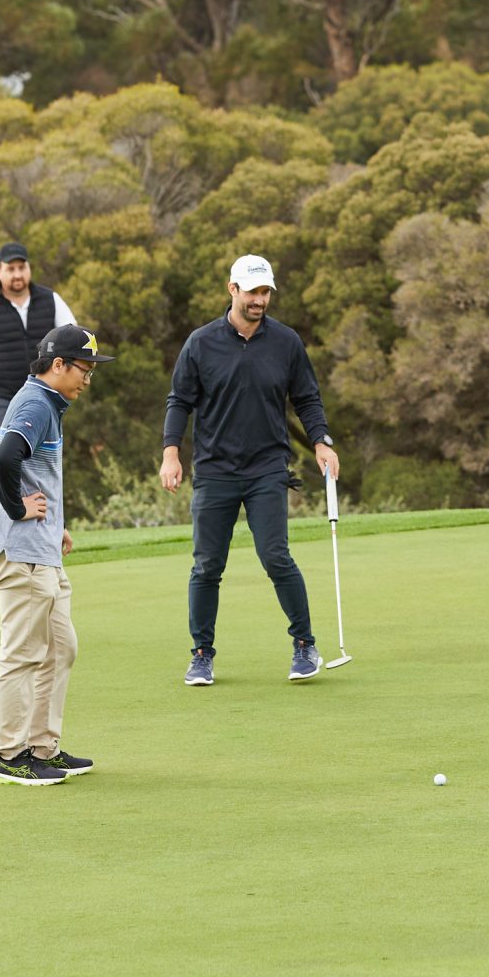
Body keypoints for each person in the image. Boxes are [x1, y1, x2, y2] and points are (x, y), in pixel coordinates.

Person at [160, 254, 339, 686]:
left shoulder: (286, 342)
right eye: (253, 291)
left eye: (265, 292)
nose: (260, 300)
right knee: (207, 565)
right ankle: (201, 654)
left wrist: (321, 441)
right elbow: (179, 400)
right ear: (232, 289)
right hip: (215, 469)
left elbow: (307, 398)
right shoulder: (201, 343)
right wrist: (170, 452)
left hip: (267, 468)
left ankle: (305, 645)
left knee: (275, 556)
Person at [0, 324, 114, 785]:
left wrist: (55, 525)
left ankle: (42, 748)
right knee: (22, 654)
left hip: (41, 549)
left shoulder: (47, 404)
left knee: (60, 648)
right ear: (58, 365)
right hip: (21, 554)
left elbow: (31, 471)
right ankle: (8, 756)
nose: (87, 380)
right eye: (84, 370)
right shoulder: (36, 403)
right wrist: (18, 508)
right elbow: (4, 459)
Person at [0, 241, 79, 437]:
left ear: (29, 268)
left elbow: (73, 337)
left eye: (22, 267)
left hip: (42, 392)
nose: (17, 274)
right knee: (10, 446)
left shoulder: (51, 299)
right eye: (11, 269)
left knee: (41, 449)